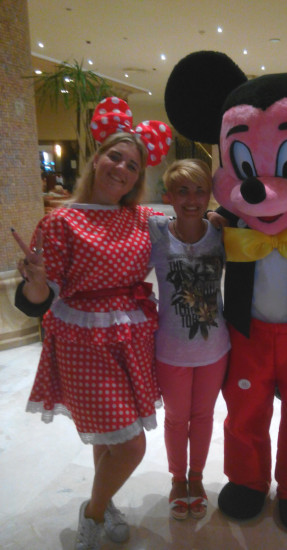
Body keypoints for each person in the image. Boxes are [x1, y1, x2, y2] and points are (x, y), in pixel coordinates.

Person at [12, 97, 171, 550]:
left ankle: (104, 502)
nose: (122, 168)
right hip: (83, 342)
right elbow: (37, 302)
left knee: (111, 438)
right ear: (96, 158)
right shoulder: (60, 222)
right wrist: (36, 282)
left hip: (131, 338)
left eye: (133, 165)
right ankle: (94, 513)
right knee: (131, 444)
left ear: (138, 178)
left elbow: (190, 228)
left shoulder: (144, 219)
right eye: (115, 157)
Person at [148, 159, 230, 520]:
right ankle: (177, 480)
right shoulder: (156, 234)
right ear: (169, 195)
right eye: (183, 191)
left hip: (215, 348)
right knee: (176, 419)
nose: (192, 199)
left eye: (200, 191)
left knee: (204, 416)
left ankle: (196, 478)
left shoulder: (221, 234)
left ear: (209, 195)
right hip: (171, 350)